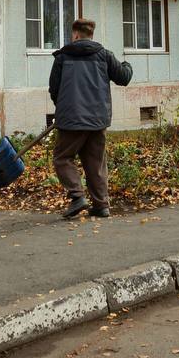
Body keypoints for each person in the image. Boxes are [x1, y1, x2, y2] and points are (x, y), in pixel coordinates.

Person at [49, 18, 133, 219]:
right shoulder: (104, 56)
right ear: (91, 35)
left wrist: (64, 108)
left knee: (62, 158)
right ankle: (101, 205)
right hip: (97, 119)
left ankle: (77, 196)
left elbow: (54, 89)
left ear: (75, 35)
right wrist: (127, 64)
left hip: (71, 120)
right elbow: (124, 77)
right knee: (95, 162)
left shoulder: (63, 58)